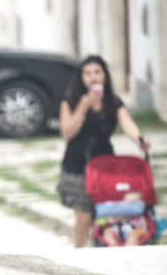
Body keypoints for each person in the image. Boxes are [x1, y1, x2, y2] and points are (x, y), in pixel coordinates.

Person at [57, 55, 150, 247]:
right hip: (76, 167)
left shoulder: (113, 102)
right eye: (88, 73)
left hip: (104, 166)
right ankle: (79, 252)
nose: (93, 78)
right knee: (83, 217)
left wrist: (139, 139)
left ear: (104, 75)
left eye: (97, 72)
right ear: (81, 77)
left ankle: (97, 250)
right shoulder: (71, 100)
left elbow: (127, 123)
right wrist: (83, 107)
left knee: (104, 217)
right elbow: (67, 133)